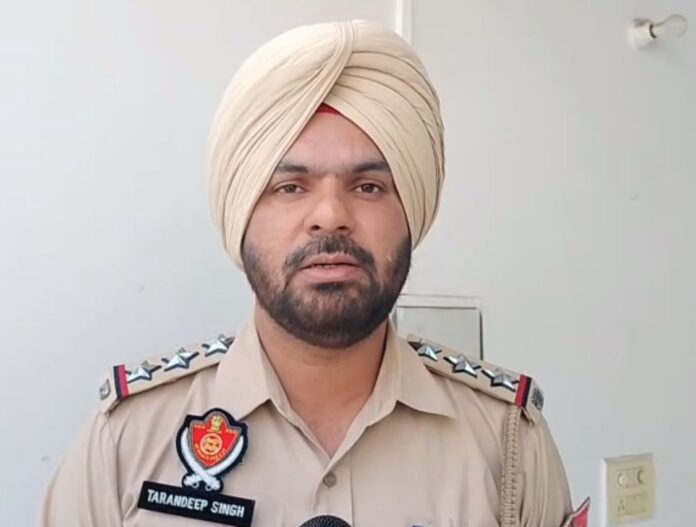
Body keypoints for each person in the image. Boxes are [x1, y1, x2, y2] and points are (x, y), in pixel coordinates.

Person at [40, 20, 589, 527]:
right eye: (290, 187)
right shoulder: (128, 440)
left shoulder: (507, 444)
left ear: (411, 214)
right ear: (241, 216)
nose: (330, 215)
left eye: (368, 187)